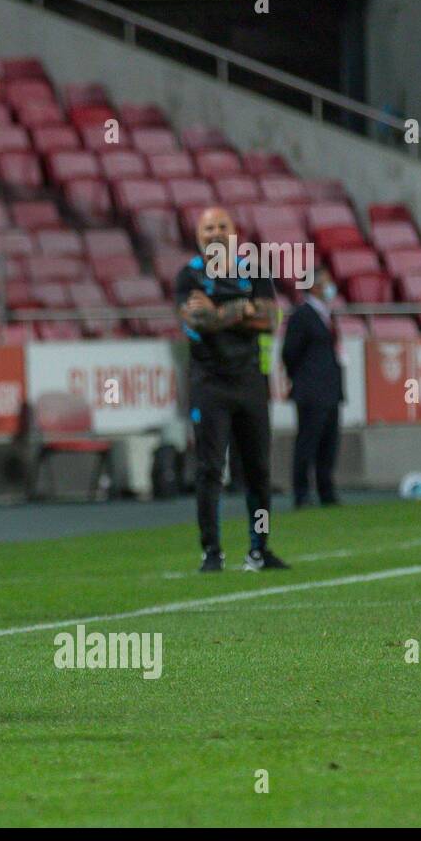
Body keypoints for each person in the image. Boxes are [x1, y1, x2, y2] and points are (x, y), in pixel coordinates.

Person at [176, 206, 289, 572]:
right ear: (198, 235)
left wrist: (222, 313)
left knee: (258, 470)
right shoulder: (189, 275)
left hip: (251, 383)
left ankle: (260, 549)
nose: (215, 232)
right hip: (209, 386)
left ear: (234, 231)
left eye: (222, 225)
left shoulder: (254, 269)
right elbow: (197, 320)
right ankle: (212, 551)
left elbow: (271, 320)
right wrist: (244, 311)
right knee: (210, 470)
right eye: (208, 227)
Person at [282, 269, 344, 507]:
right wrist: (302, 379)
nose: (330, 287)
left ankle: (326, 490)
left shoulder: (327, 315)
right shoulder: (302, 316)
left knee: (329, 443)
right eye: (326, 282)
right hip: (311, 389)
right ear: (315, 286)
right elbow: (289, 352)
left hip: (330, 388)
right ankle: (302, 493)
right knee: (307, 443)